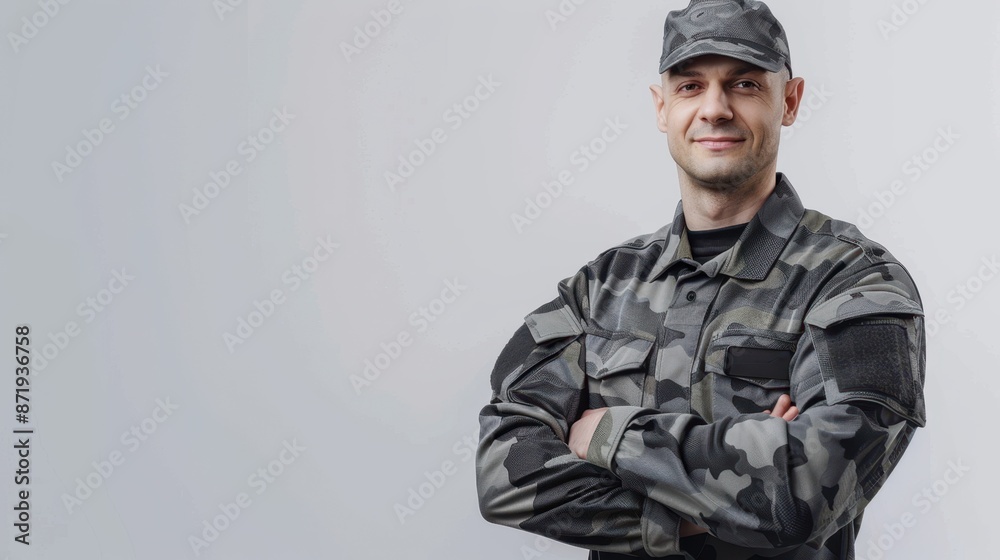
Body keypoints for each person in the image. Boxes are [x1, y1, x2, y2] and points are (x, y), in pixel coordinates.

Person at [475, 0, 928, 558]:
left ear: (789, 101)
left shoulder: (856, 283)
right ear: (661, 107)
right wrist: (720, 500)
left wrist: (609, 435)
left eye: (744, 84)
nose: (714, 109)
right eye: (690, 86)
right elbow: (504, 474)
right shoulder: (598, 289)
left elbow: (806, 492)